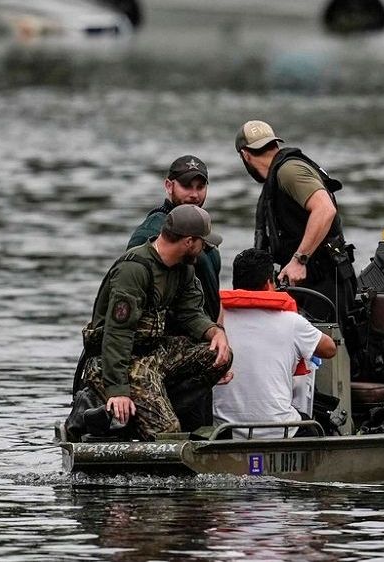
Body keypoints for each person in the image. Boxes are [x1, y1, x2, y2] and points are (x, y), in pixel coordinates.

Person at [77, 204, 233, 440]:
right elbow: (117, 334)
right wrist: (117, 390)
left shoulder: (183, 269)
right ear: (189, 242)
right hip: (117, 361)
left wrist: (215, 332)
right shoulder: (134, 270)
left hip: (153, 355)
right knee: (167, 434)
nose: (205, 249)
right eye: (203, 243)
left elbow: (191, 313)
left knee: (219, 356)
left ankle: (152, 408)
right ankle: (111, 416)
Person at [127, 155, 224, 430]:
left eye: (200, 187)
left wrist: (218, 340)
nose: (194, 194)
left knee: (201, 429)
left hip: (198, 347)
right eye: (186, 186)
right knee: (181, 430)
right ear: (169, 186)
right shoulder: (153, 232)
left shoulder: (201, 230)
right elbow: (136, 296)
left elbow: (210, 296)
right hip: (168, 354)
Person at [234, 120, 357, 332]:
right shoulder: (277, 176)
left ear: (245, 155)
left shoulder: (289, 171)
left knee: (326, 356)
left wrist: (300, 259)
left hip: (325, 282)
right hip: (308, 283)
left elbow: (325, 209)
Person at [213, 248, 336, 439]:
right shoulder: (291, 322)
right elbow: (329, 349)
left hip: (225, 432)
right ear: (268, 283)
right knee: (320, 425)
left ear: (235, 284)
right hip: (280, 430)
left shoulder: (215, 322)